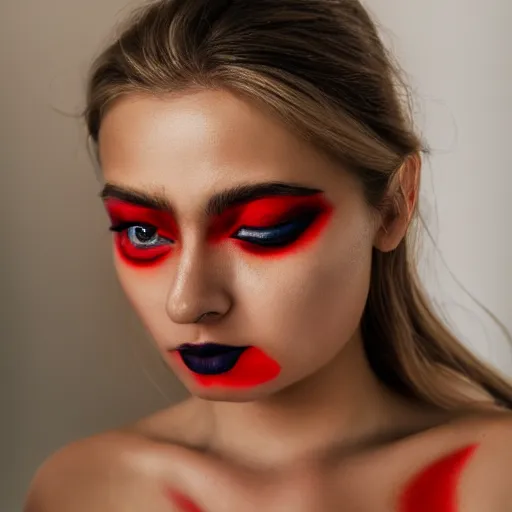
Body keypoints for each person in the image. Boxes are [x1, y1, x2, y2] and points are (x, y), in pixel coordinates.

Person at [24, 0, 512, 511]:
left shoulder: (496, 479)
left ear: (392, 207)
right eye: (145, 232)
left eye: (261, 229)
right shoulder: (83, 492)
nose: (186, 302)